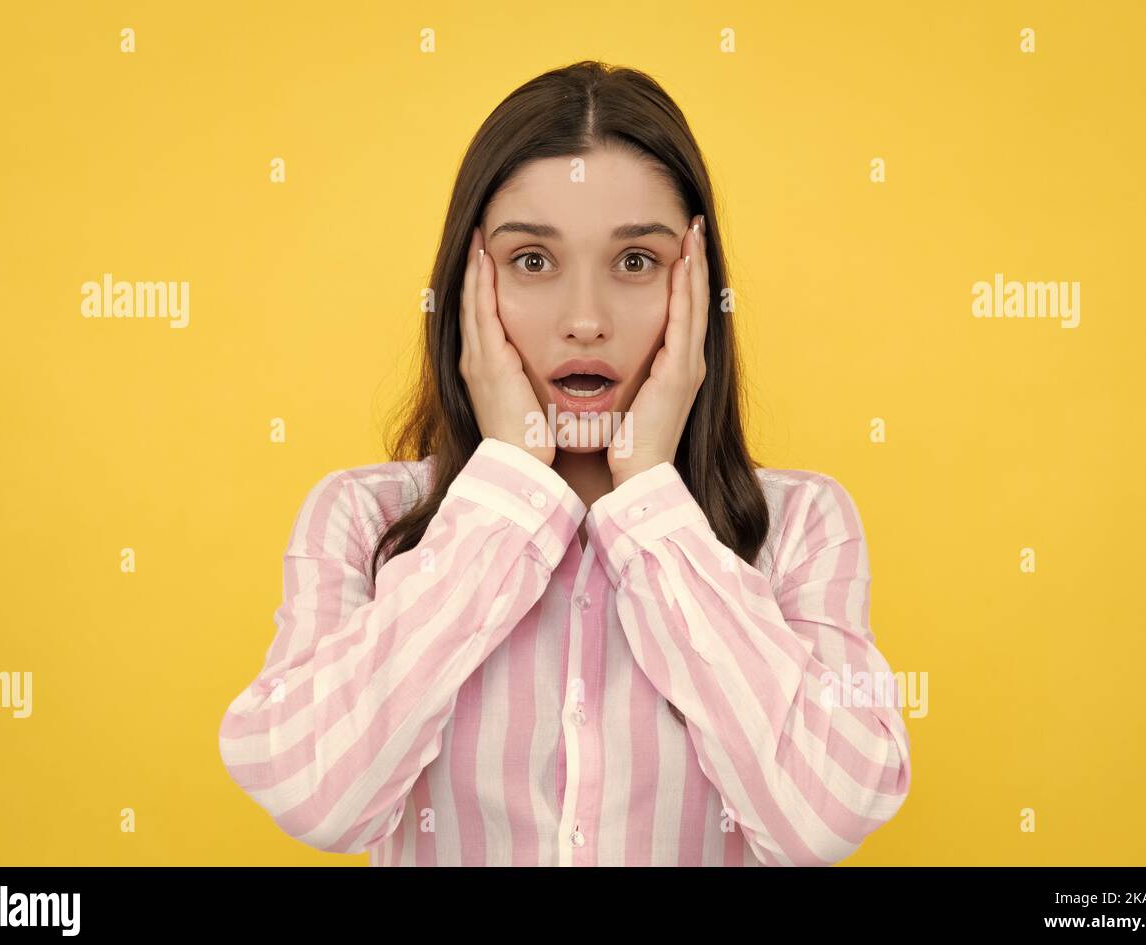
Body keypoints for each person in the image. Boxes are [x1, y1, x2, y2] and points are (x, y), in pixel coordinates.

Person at [218, 60, 911, 866]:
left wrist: (649, 491)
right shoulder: (361, 519)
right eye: (534, 262)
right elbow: (315, 798)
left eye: (636, 262)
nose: (586, 321)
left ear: (697, 291)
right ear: (470, 286)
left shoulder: (802, 526)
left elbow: (823, 820)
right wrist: (509, 482)